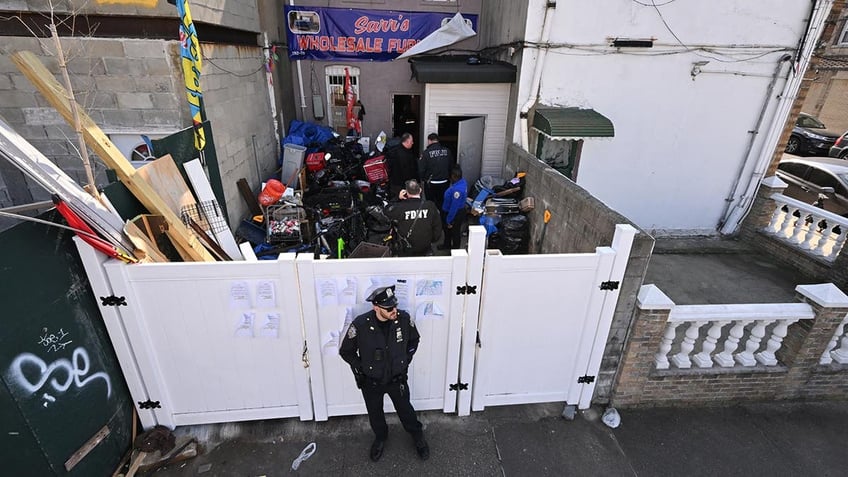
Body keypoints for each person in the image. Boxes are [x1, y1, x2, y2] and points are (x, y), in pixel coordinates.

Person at [339, 285, 430, 462]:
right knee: (375, 414)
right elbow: (346, 351)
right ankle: (380, 438)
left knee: (406, 411)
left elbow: (414, 340)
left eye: (394, 306)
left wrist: (405, 359)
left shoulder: (403, 319)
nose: (394, 310)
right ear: (376, 308)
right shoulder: (361, 325)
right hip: (371, 381)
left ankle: (417, 437)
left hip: (397, 379)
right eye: (389, 308)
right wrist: (361, 368)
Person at [384, 179, 442, 256]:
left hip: (407, 247)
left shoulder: (401, 207)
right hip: (425, 246)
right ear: (420, 190)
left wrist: (397, 199)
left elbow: (387, 210)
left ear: (406, 193)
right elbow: (438, 227)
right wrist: (432, 240)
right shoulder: (430, 206)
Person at [418, 133, 454, 212]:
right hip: (445, 183)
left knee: (430, 204)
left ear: (429, 141)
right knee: (443, 204)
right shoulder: (447, 151)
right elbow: (451, 166)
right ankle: (443, 221)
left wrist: (423, 179)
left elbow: (421, 170)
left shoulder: (426, 153)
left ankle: (432, 221)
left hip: (431, 184)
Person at [440, 166, 468, 250]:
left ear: (453, 176)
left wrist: (449, 220)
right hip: (455, 211)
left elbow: (454, 207)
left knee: (455, 232)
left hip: (454, 213)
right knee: (448, 231)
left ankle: (455, 249)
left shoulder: (457, 191)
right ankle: (447, 245)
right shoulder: (462, 182)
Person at [385, 133, 419, 197]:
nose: (413, 143)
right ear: (407, 141)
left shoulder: (395, 150)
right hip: (402, 185)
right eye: (411, 141)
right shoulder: (403, 154)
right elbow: (407, 171)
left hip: (394, 183)